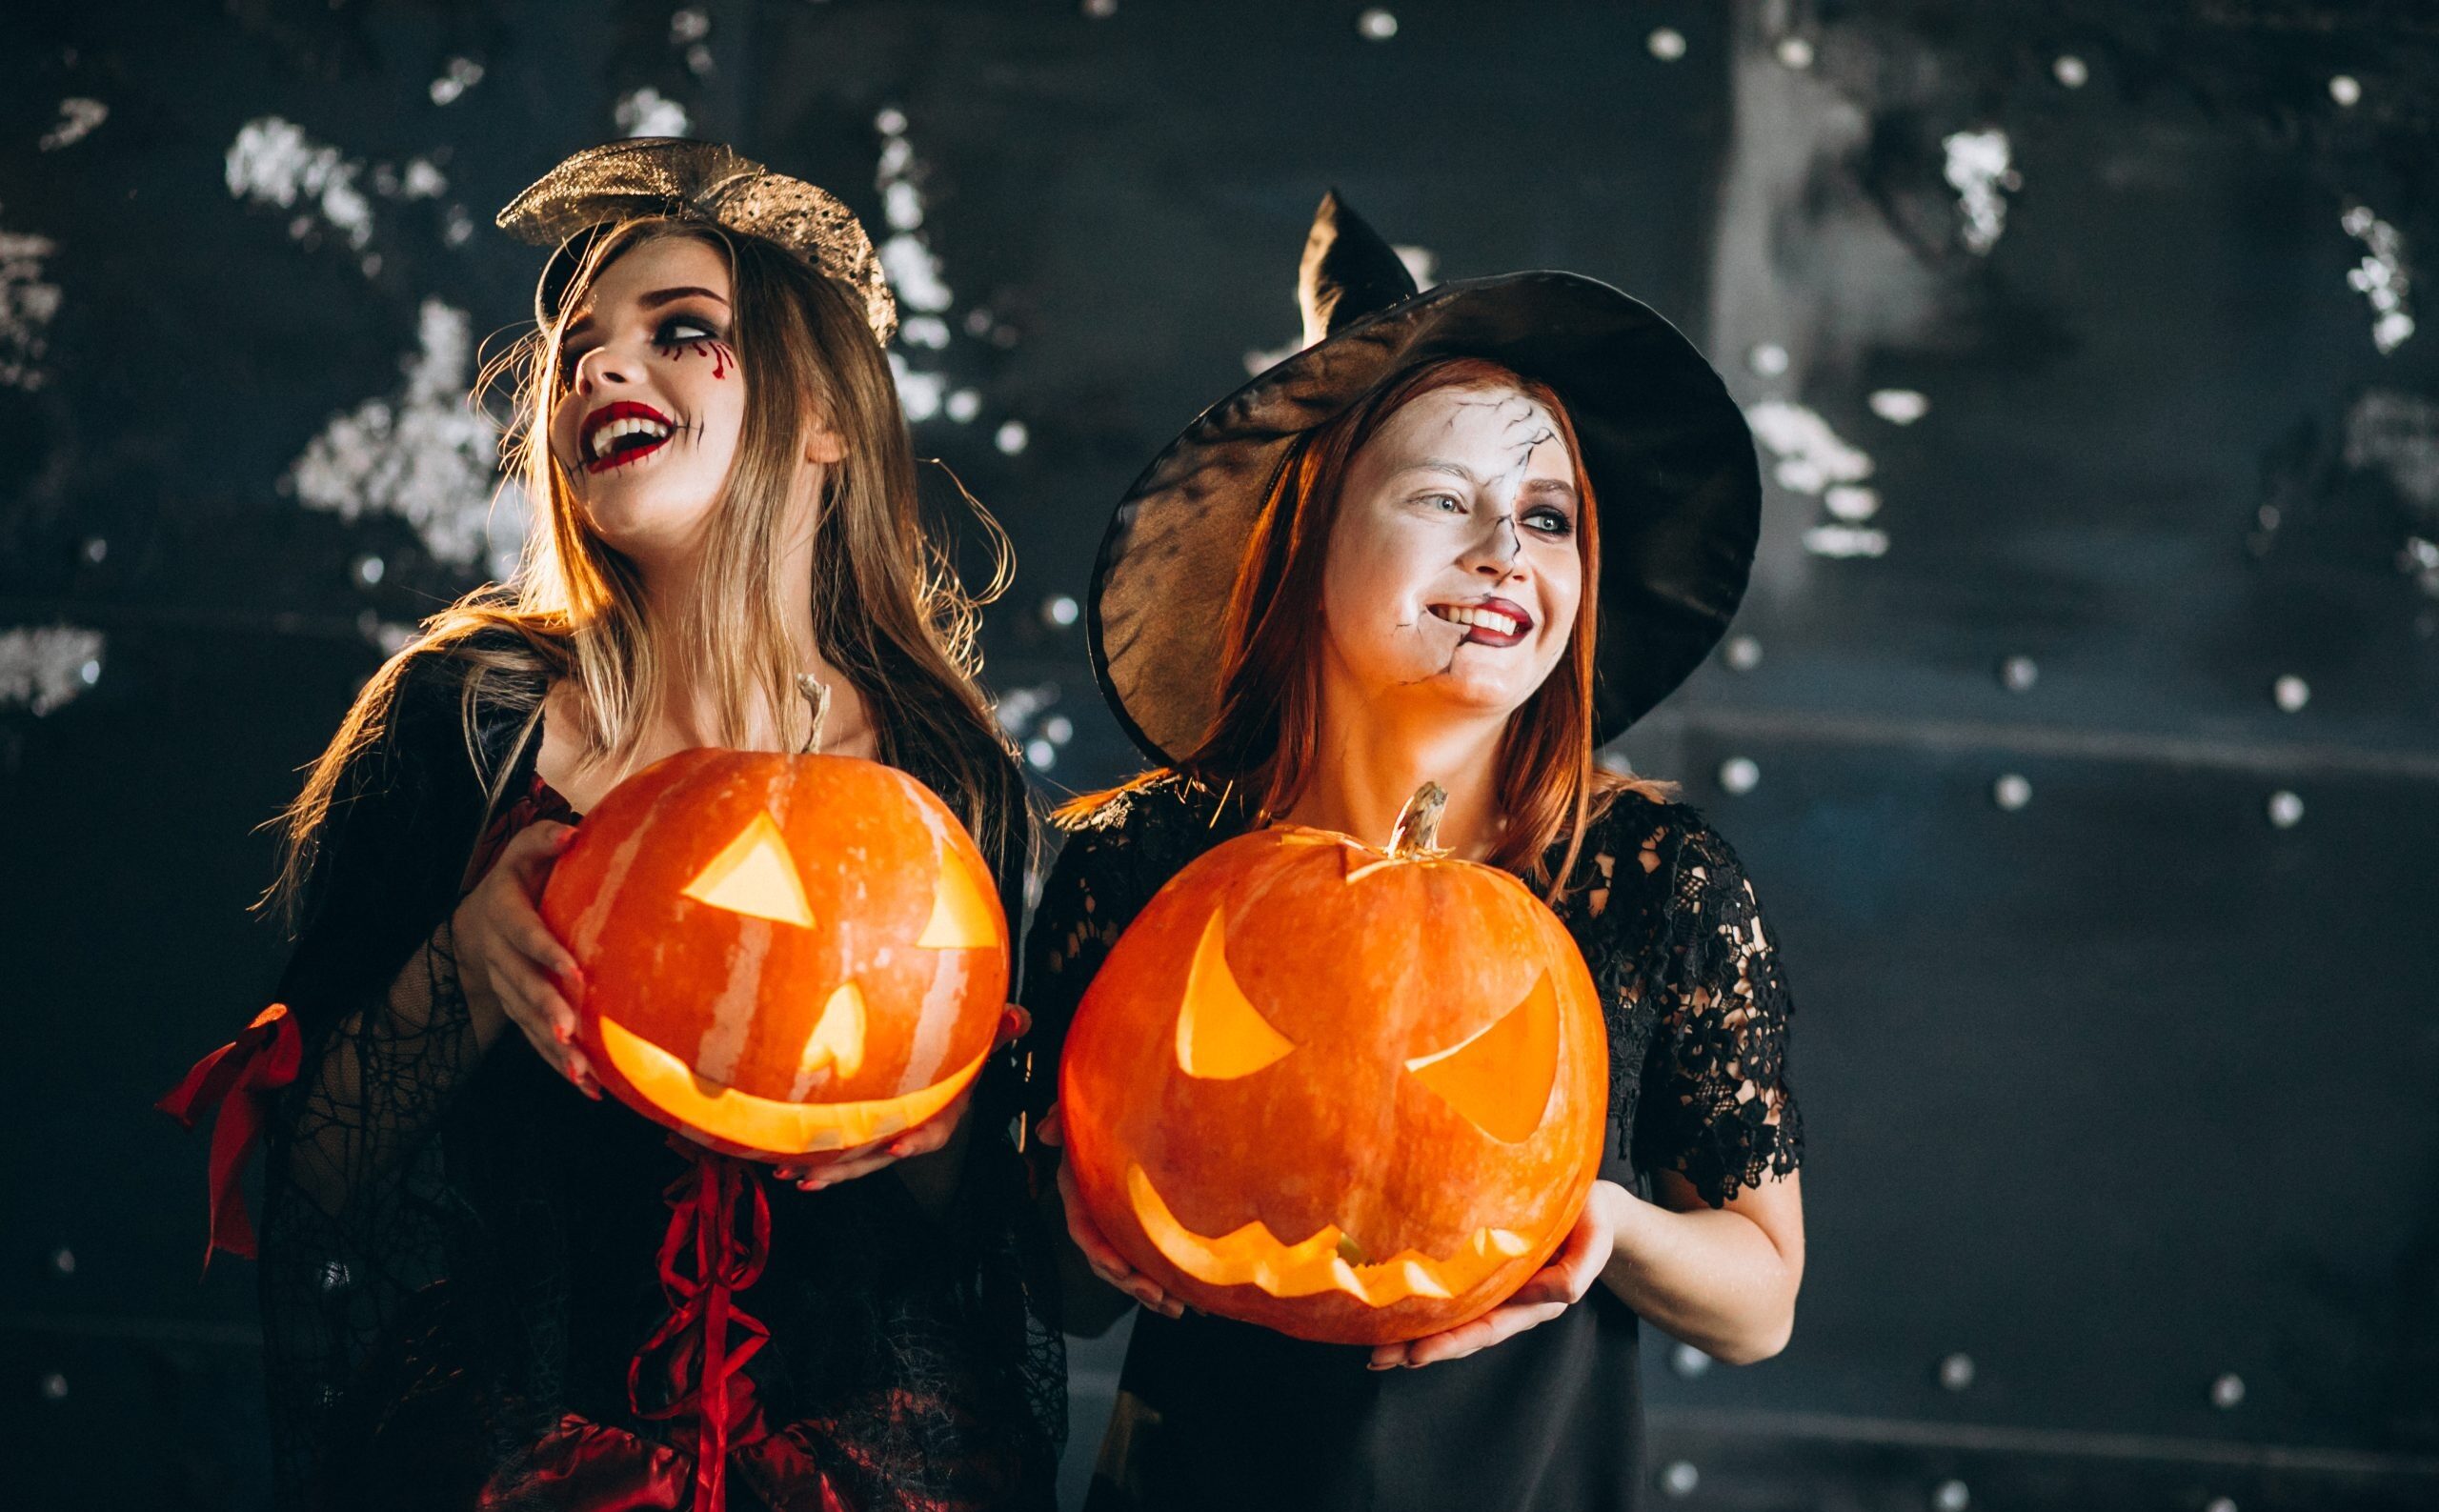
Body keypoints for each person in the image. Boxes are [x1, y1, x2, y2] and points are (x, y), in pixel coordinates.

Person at [160, 141, 1059, 1512]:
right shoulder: (469, 723)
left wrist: (938, 1138)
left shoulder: (949, 782)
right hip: (513, 1470)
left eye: (678, 332)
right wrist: (464, 964)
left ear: (823, 414)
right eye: (574, 351)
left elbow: (998, 1259)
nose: (594, 371)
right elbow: (320, 1176)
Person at [1020, 193, 1805, 1512]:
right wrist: (1084, 1221)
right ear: (1309, 544)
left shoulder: (1652, 881)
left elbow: (1759, 1302)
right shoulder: (1143, 861)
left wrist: (1606, 1226)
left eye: (1549, 519)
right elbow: (1045, 1284)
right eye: (1446, 499)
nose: (1506, 553)